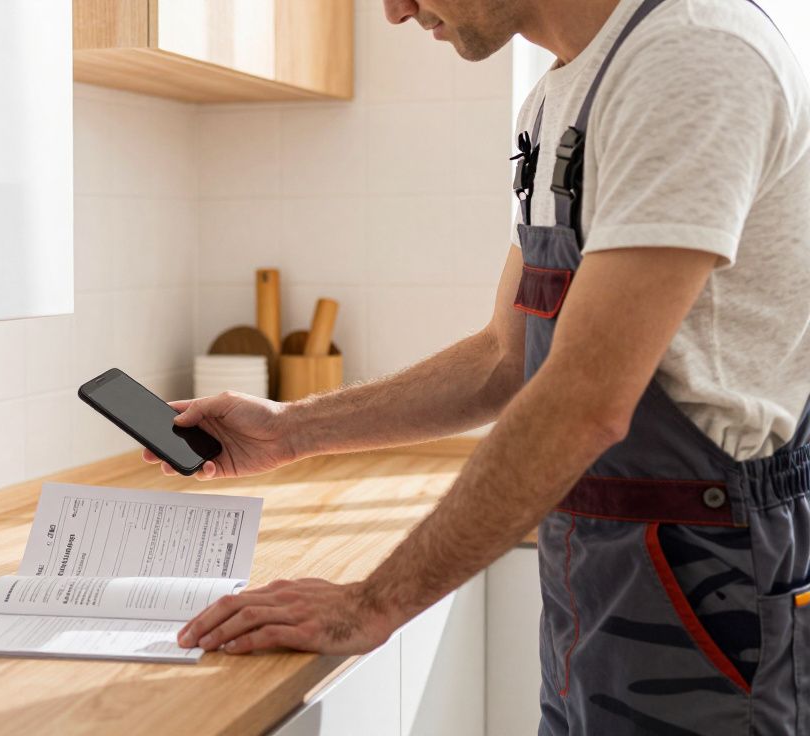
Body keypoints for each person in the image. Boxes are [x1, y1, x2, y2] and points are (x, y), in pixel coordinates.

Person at [149, 0, 810, 732]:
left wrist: (372, 605)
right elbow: (508, 355)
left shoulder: (693, 57)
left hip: (710, 589)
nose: (395, 12)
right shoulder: (560, 93)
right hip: (596, 587)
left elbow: (583, 399)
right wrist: (292, 429)